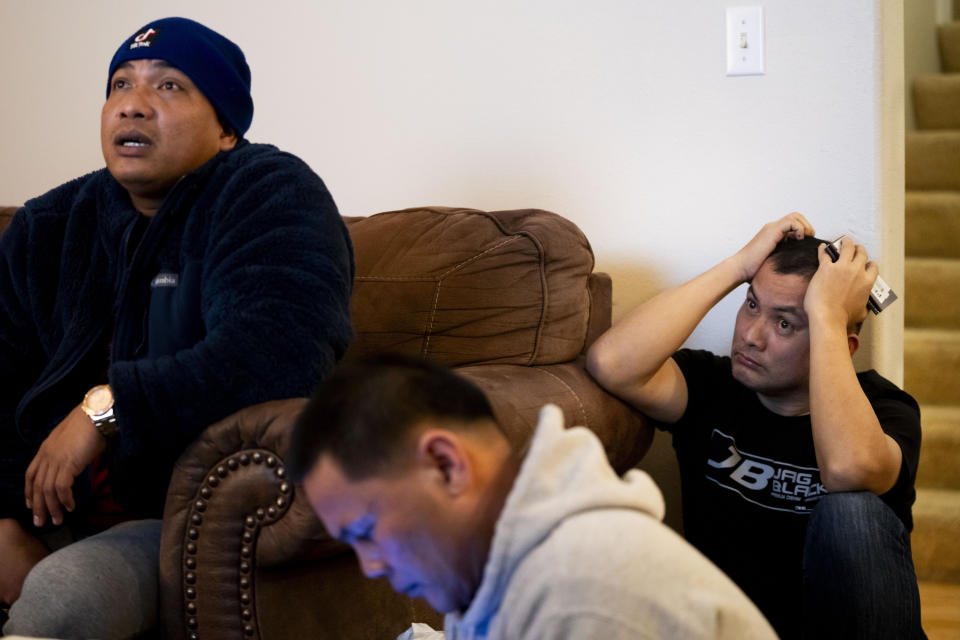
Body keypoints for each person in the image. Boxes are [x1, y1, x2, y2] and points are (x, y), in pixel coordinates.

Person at [0, 17, 354, 638]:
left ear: (224, 129)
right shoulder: (48, 226)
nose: (132, 105)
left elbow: (277, 354)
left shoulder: (270, 194)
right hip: (34, 512)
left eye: (169, 87)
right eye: (120, 85)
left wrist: (106, 409)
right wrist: (3, 520)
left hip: (167, 518)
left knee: (63, 598)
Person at [585, 213, 925, 639]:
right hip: (735, 632)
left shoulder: (886, 409)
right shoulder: (713, 387)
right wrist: (741, 266)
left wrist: (826, 316)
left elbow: (847, 471)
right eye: (751, 305)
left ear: (840, 342)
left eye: (784, 323)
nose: (751, 336)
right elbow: (611, 364)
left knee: (850, 511)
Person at [288, 354, 777, 639]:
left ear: (445, 464)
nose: (370, 566)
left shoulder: (587, 597)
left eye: (366, 531)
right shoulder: (500, 573)